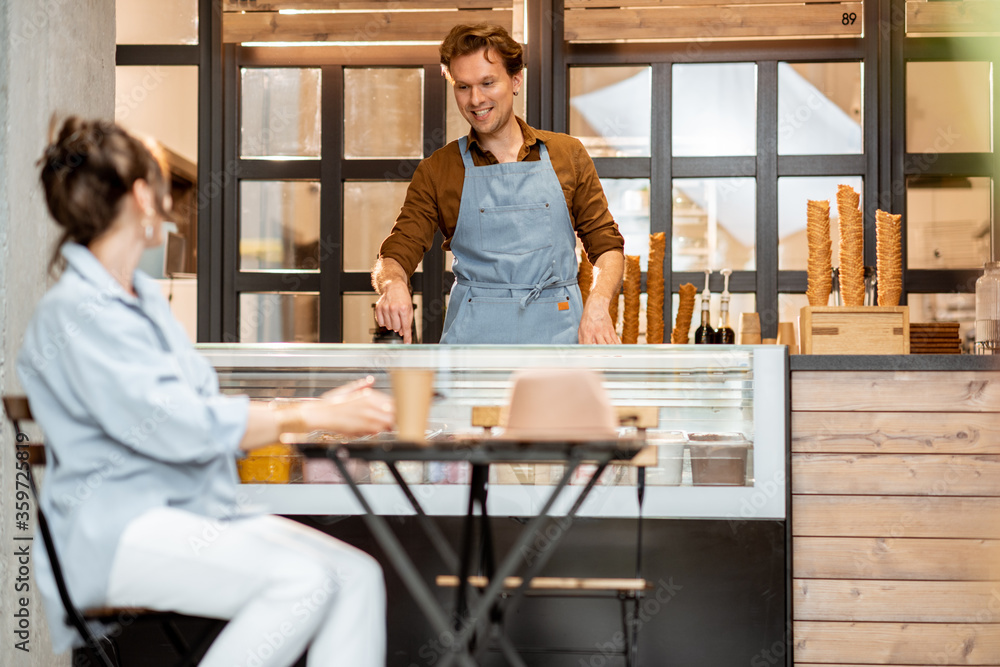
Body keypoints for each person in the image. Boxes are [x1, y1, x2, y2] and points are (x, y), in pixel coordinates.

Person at [17, 117, 393, 667]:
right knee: (302, 582)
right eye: (165, 188)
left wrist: (313, 412)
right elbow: (179, 426)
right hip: (117, 533)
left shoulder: (142, 299)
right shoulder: (77, 311)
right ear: (144, 196)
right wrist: (309, 411)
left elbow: (197, 411)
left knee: (357, 577)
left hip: (190, 512)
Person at [372, 23, 625, 345]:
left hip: (560, 338)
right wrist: (393, 285)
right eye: (462, 87)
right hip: (474, 342)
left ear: (516, 80)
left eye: (487, 83)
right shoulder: (438, 170)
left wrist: (599, 304)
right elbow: (397, 251)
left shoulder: (567, 154)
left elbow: (607, 245)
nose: (475, 99)